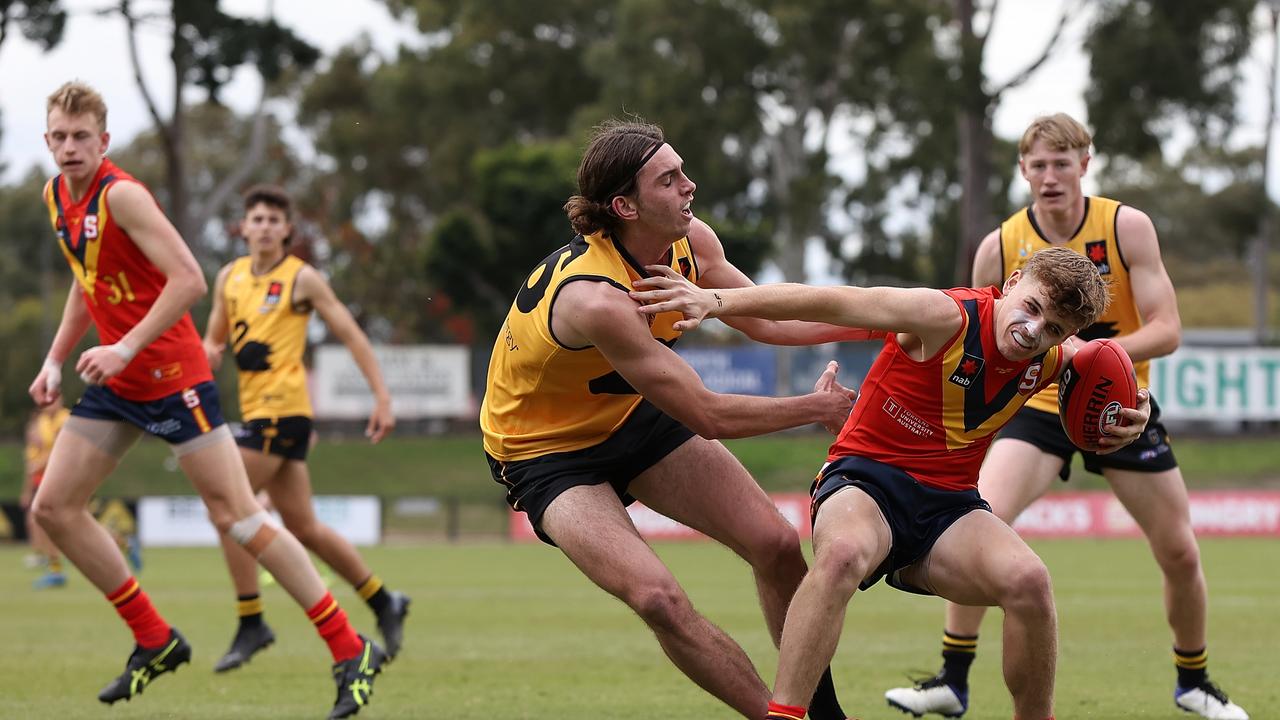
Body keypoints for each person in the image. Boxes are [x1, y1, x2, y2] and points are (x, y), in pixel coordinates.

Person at [632, 245, 1151, 720]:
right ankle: (788, 716)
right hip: (864, 480)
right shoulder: (942, 315)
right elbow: (829, 301)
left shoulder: (1055, 358)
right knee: (840, 557)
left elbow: (1109, 379)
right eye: (1033, 308)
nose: (1034, 330)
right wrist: (714, 300)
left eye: (1054, 328)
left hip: (949, 509)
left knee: (1031, 583)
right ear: (1012, 282)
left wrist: (1137, 415)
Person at [480, 119, 870, 720]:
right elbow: (708, 412)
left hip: (629, 416)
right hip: (545, 453)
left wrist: (888, 320)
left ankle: (821, 712)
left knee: (773, 544)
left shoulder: (691, 242)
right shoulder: (596, 298)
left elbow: (767, 320)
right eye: (670, 179)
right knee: (659, 599)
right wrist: (817, 408)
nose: (691, 186)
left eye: (683, 170)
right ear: (624, 206)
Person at [28, 81, 384, 719]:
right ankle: (154, 638)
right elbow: (88, 285)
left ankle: (348, 644)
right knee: (54, 507)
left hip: (171, 376)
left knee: (241, 519)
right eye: (59, 136)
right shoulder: (57, 197)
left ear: (103, 141)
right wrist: (56, 359)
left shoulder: (123, 195)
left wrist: (125, 347)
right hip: (121, 381)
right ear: (47, 139)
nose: (70, 146)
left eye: (82, 136)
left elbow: (189, 278)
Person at [882, 113, 1249, 720]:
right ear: (1023, 171)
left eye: (1062, 162)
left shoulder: (1125, 226)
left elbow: (1167, 328)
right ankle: (952, 679)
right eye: (1038, 164)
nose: (1050, 176)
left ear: (1086, 163)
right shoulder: (999, 246)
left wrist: (1095, 362)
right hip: (1038, 404)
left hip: (1120, 410)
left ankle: (1194, 681)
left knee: (1179, 550)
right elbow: (978, 332)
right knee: (982, 521)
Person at [202, 184, 409, 673]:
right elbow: (211, 345)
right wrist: (206, 356)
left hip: (285, 412)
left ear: (288, 230)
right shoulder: (228, 278)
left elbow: (351, 334)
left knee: (225, 510)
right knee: (303, 526)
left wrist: (381, 396)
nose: (266, 226)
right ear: (244, 227)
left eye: (275, 219)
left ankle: (251, 619)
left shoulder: (302, 278)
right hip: (256, 414)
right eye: (257, 218)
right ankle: (383, 601)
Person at [22, 402, 72, 589]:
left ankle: (124, 544)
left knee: (73, 524)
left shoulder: (64, 419)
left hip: (67, 478)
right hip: (48, 479)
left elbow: (61, 452)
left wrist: (39, 464)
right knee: (41, 519)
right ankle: (53, 567)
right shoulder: (42, 422)